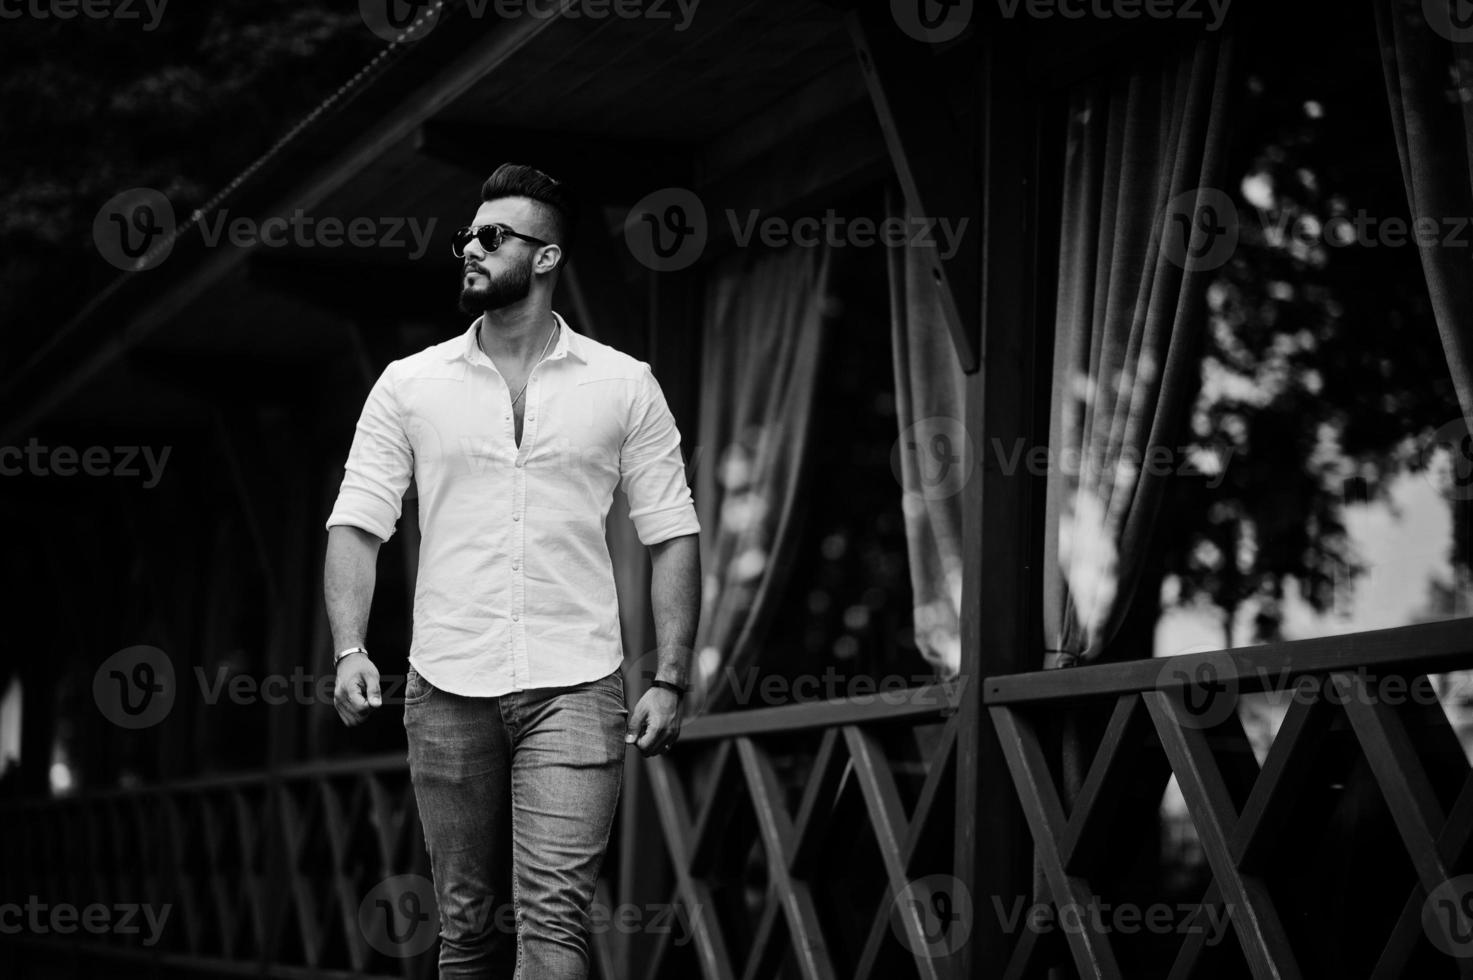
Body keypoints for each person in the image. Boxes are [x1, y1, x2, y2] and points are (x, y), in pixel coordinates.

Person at [323, 162, 701, 978]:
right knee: (464, 929)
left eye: (493, 237)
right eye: (467, 236)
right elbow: (357, 522)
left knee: (554, 924)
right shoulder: (408, 385)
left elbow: (671, 530)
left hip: (577, 684)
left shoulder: (624, 384)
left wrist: (670, 675)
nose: (470, 248)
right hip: (447, 683)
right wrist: (350, 646)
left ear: (545, 257)